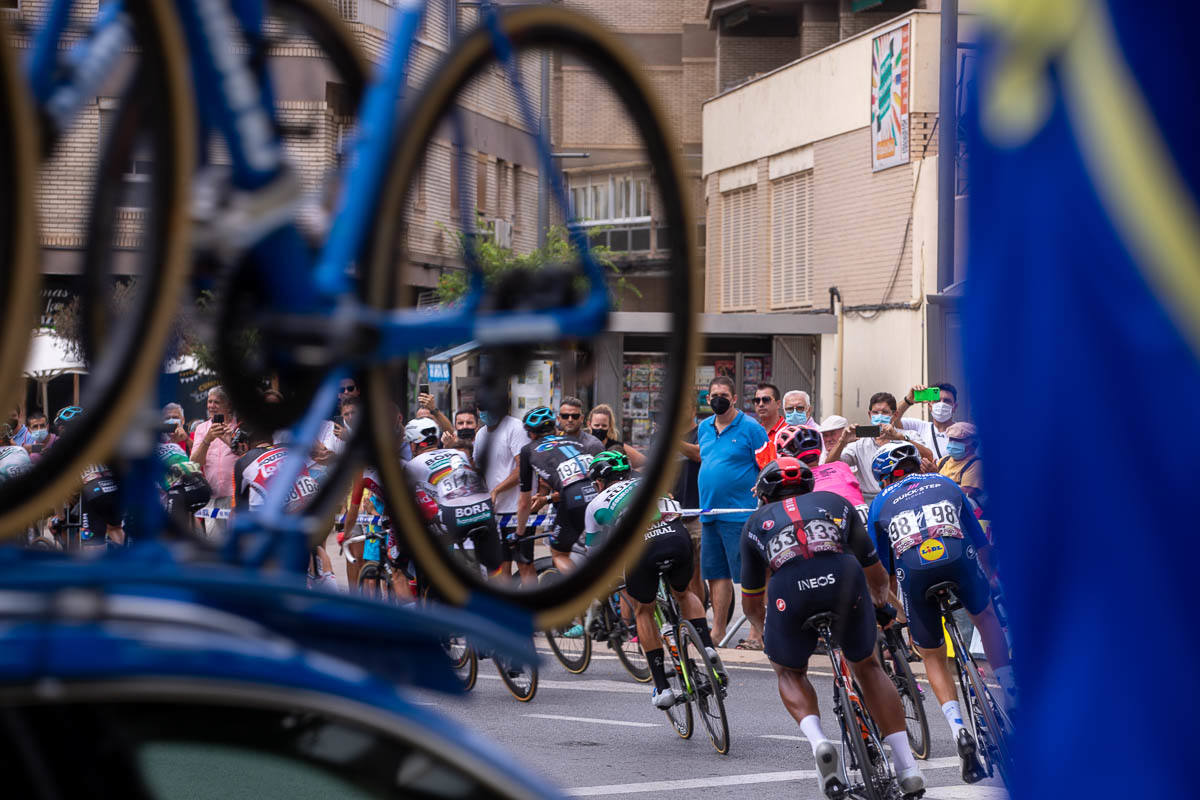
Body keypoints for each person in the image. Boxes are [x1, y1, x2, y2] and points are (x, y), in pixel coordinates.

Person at [740, 457, 925, 797]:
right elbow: (876, 573)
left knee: (789, 672)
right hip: (843, 578)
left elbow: (751, 603)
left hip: (789, 589)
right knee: (868, 667)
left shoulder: (755, 522)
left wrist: (769, 632)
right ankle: (907, 768)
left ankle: (819, 742)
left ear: (765, 497)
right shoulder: (835, 503)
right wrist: (881, 606)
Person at [867, 443, 1015, 784]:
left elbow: (883, 572)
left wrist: (897, 612)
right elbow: (981, 543)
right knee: (986, 617)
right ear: (918, 464)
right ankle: (1011, 692)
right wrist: (991, 582)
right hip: (957, 558)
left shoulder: (879, 503)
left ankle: (958, 728)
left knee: (932, 655)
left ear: (883, 478)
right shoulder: (945, 483)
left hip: (915, 573)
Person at [584, 451, 722, 709]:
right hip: (676, 537)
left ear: (599, 483)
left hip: (642, 550)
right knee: (684, 593)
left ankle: (663, 687)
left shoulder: (596, 504)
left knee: (643, 610)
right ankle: (707, 647)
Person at [694, 376, 767, 648]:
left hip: (740, 514)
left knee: (750, 577)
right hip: (709, 513)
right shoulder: (704, 427)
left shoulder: (751, 428)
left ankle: (756, 632)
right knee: (717, 575)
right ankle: (718, 631)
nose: (717, 399)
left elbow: (767, 465)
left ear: (735, 398)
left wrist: (761, 491)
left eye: (723, 394)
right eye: (713, 395)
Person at [404, 418, 503, 573]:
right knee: (491, 572)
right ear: (437, 439)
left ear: (413, 444)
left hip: (454, 515)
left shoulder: (412, 465)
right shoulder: (458, 453)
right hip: (485, 507)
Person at [513, 406, 600, 576]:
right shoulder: (575, 442)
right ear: (554, 427)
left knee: (559, 553)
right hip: (599, 494)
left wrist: (519, 533)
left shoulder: (528, 450)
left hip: (574, 499)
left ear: (530, 434)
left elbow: (524, 503)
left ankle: (584, 591)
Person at [825, 392, 934, 503]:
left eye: (885, 412)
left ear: (895, 415)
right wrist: (842, 441)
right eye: (875, 413)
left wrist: (900, 438)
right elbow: (829, 466)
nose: (880, 416)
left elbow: (929, 456)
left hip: (906, 495)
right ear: (869, 415)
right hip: (871, 501)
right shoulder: (859, 443)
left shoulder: (909, 435)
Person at [474, 402, 534, 584]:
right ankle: (506, 608)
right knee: (501, 566)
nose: (485, 412)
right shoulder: (481, 434)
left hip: (518, 508)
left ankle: (536, 606)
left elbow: (523, 468)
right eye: (481, 408)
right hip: (494, 511)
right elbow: (479, 470)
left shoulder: (515, 428)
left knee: (524, 563)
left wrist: (497, 490)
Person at [55, 406, 126, 549]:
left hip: (93, 491)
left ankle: (96, 570)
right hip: (114, 488)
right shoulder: (99, 437)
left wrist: (61, 517)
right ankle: (129, 564)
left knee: (92, 541)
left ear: (63, 428)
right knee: (115, 529)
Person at [191, 386, 238, 538]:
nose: (211, 406)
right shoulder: (201, 428)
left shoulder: (239, 427)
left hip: (235, 499)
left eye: (216, 402)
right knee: (215, 545)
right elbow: (195, 463)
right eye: (209, 401)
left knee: (237, 544)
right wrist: (207, 439)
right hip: (212, 499)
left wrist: (229, 440)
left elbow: (248, 455)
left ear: (229, 404)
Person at [892, 382, 961, 461]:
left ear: (954, 407)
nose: (941, 404)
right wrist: (908, 400)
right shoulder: (918, 427)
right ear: (929, 405)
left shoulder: (963, 432)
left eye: (947, 401)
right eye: (937, 400)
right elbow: (892, 419)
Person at [937, 422, 986, 509]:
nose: (953, 443)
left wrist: (935, 478)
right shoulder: (944, 460)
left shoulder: (976, 464)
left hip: (968, 511)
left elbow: (967, 493)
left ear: (973, 444)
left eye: (959, 440)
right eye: (951, 439)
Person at [586, 403, 646, 469]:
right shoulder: (582, 445)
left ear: (610, 426)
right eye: (596, 425)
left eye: (604, 426)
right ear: (589, 424)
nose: (600, 428)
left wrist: (630, 474)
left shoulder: (618, 447)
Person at [751, 383, 786, 468]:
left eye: (766, 400)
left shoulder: (789, 431)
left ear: (778, 404)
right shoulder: (753, 433)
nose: (761, 404)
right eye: (757, 400)